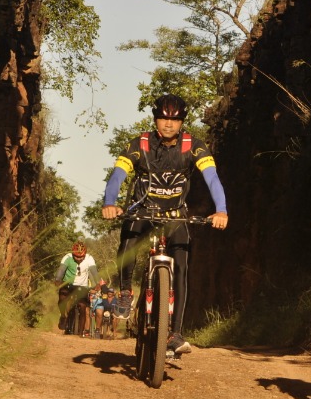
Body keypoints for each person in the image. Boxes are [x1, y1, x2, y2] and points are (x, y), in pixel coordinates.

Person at [101, 93, 229, 358]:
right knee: (129, 238)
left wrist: (221, 210)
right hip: (142, 210)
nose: (168, 124)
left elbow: (212, 178)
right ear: (155, 118)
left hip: (175, 214)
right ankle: (125, 292)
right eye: (163, 118)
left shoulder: (194, 146)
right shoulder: (139, 144)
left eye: (175, 119)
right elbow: (118, 175)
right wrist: (110, 202)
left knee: (181, 268)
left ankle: (175, 333)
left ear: (182, 121)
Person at [56, 240, 98, 335]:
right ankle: (63, 316)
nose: (79, 258)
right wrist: (58, 279)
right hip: (68, 284)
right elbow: (61, 270)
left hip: (82, 286)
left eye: (81, 257)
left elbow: (94, 272)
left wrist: (97, 284)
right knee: (62, 298)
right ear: (73, 253)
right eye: (76, 256)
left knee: (83, 307)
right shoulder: (67, 257)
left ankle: (80, 332)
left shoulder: (90, 258)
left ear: (85, 254)